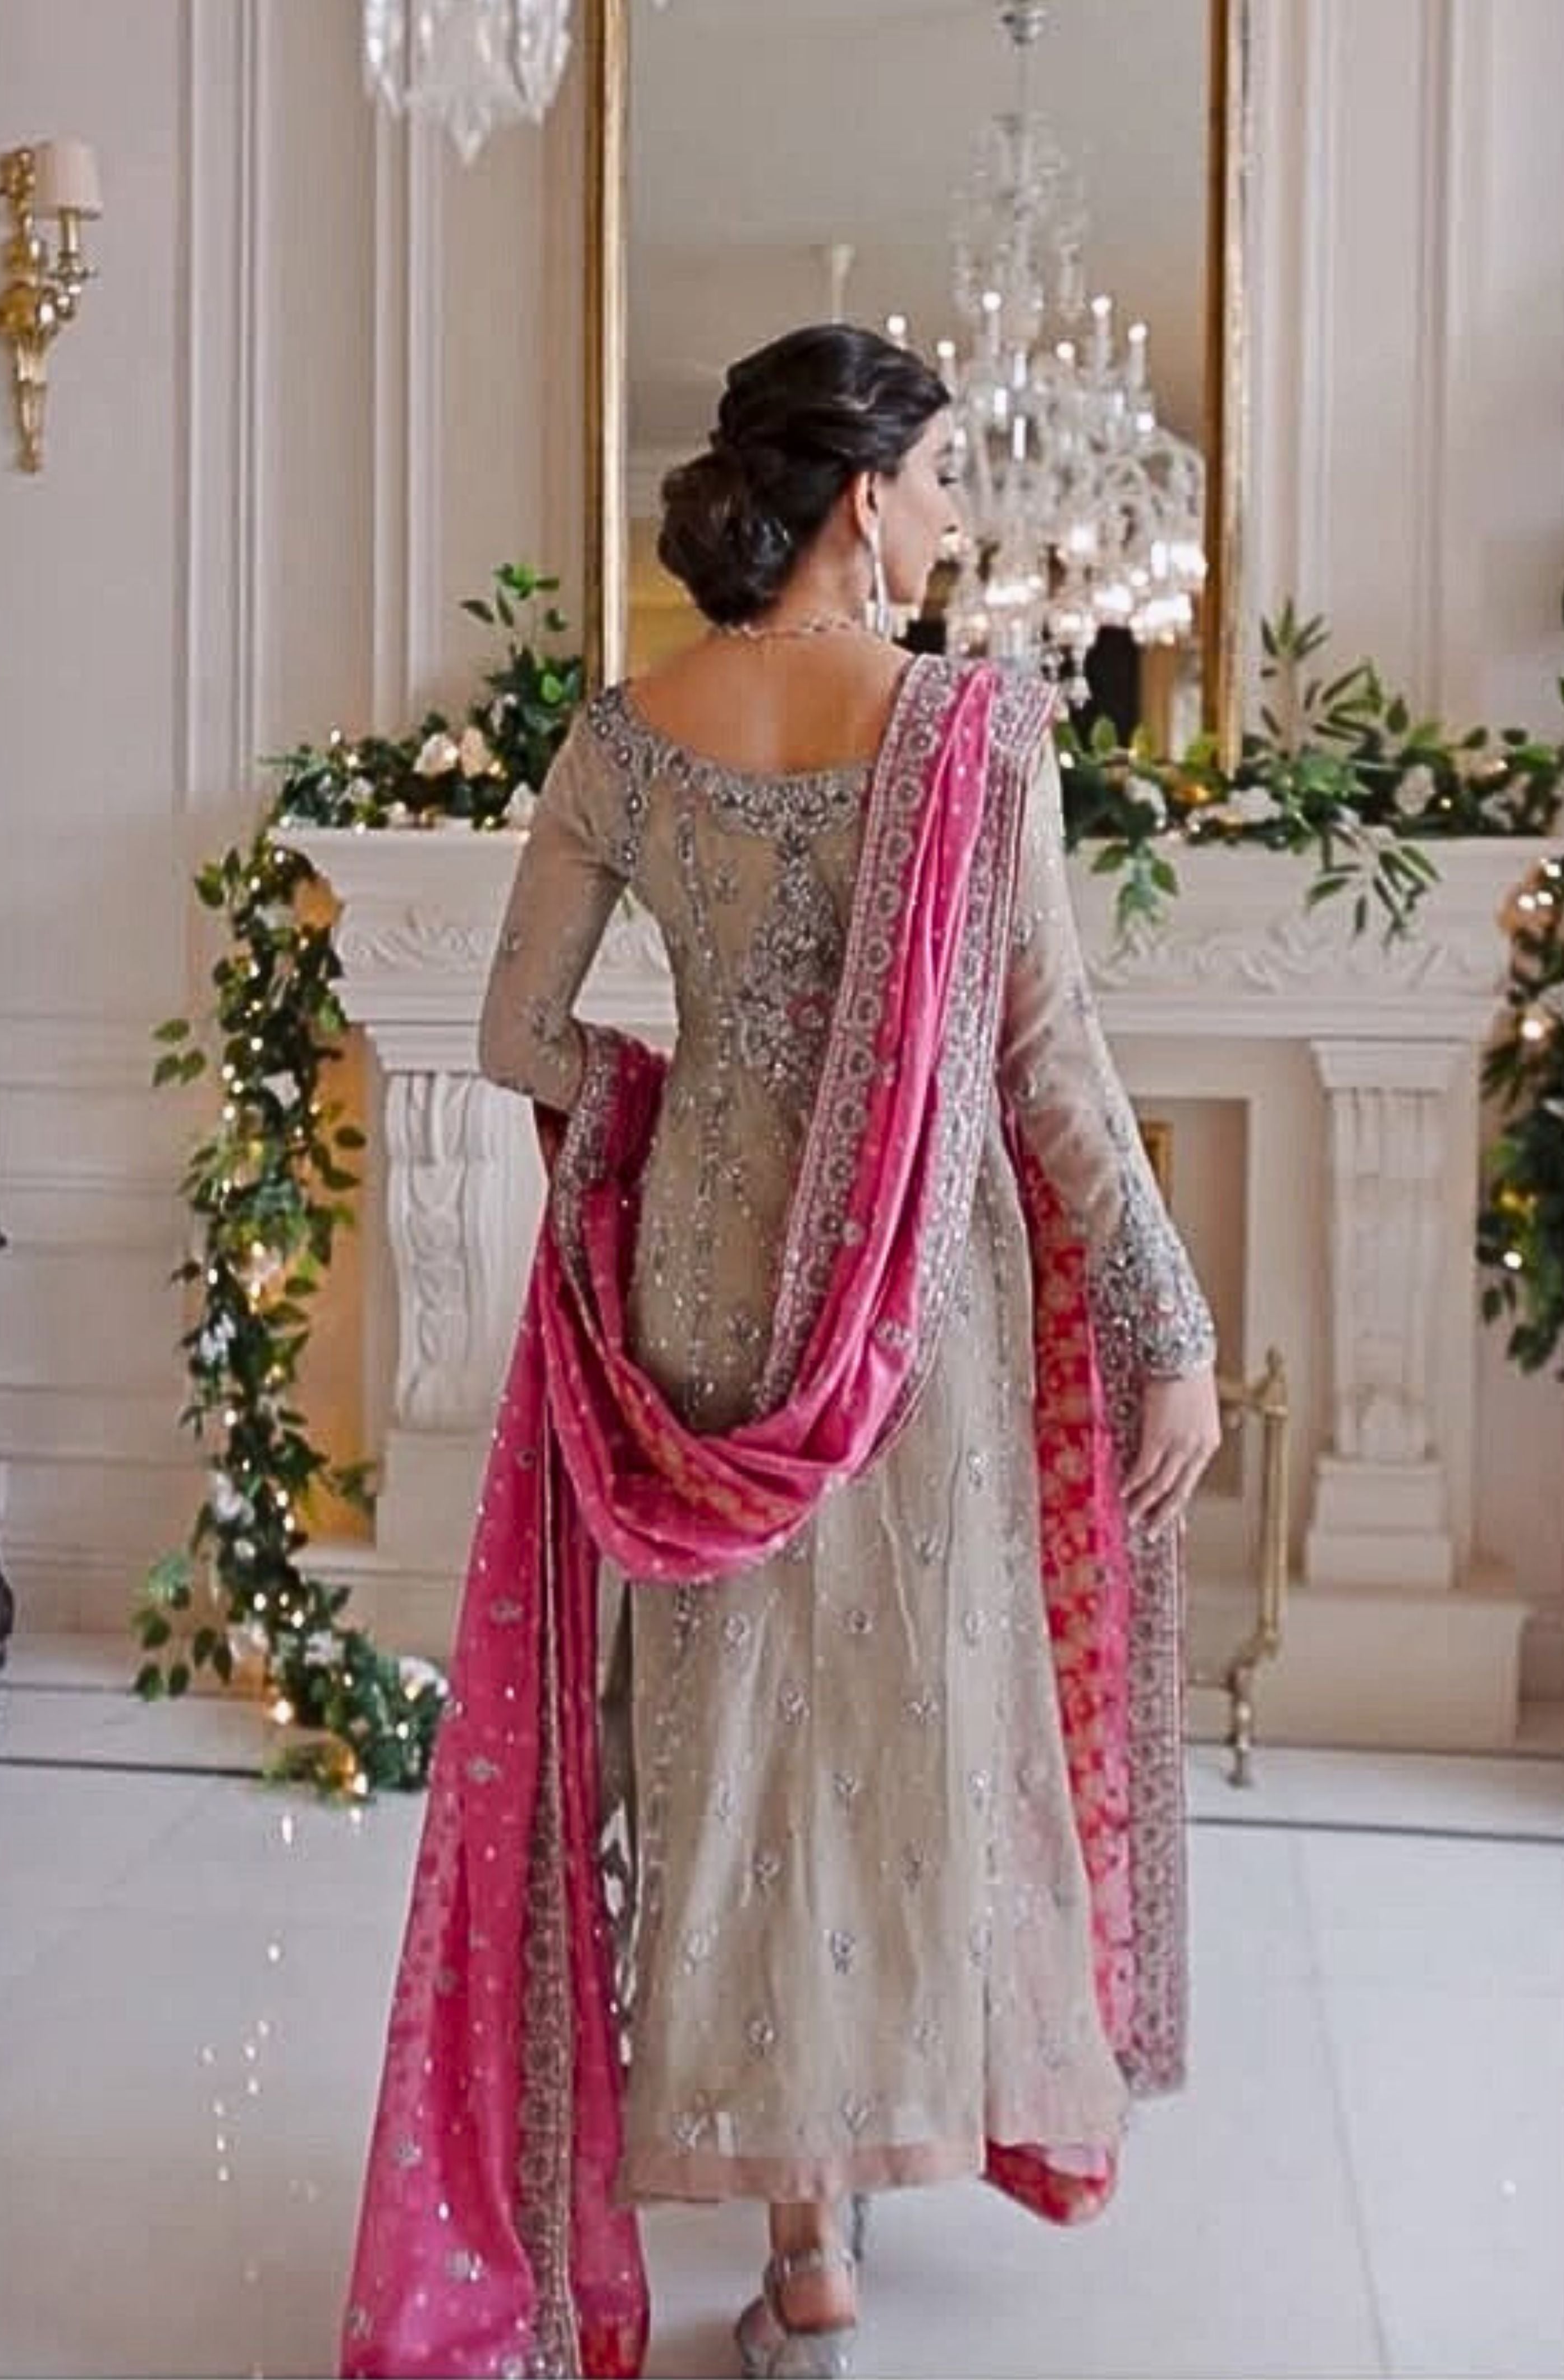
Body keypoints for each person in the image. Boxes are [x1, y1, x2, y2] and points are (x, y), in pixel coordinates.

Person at [340, 325, 1220, 2380]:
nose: (946, 523)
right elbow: (1048, 1064)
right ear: (857, 498)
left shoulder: (625, 735)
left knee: (732, 1743)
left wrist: (662, 1122)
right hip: (916, 1291)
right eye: (934, 486)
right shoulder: (972, 732)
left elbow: (517, 1036)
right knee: (897, 1728)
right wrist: (1162, 1324)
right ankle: (837, 2216)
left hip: (695, 1299)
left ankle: (796, 2229)